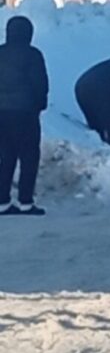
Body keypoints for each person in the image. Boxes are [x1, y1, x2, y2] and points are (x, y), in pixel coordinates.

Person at [0, 15, 49, 216]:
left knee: (5, 156)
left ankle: (2, 202)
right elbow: (40, 84)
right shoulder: (33, 55)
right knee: (29, 157)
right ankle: (25, 202)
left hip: (1, 114)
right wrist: (39, 105)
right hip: (26, 114)